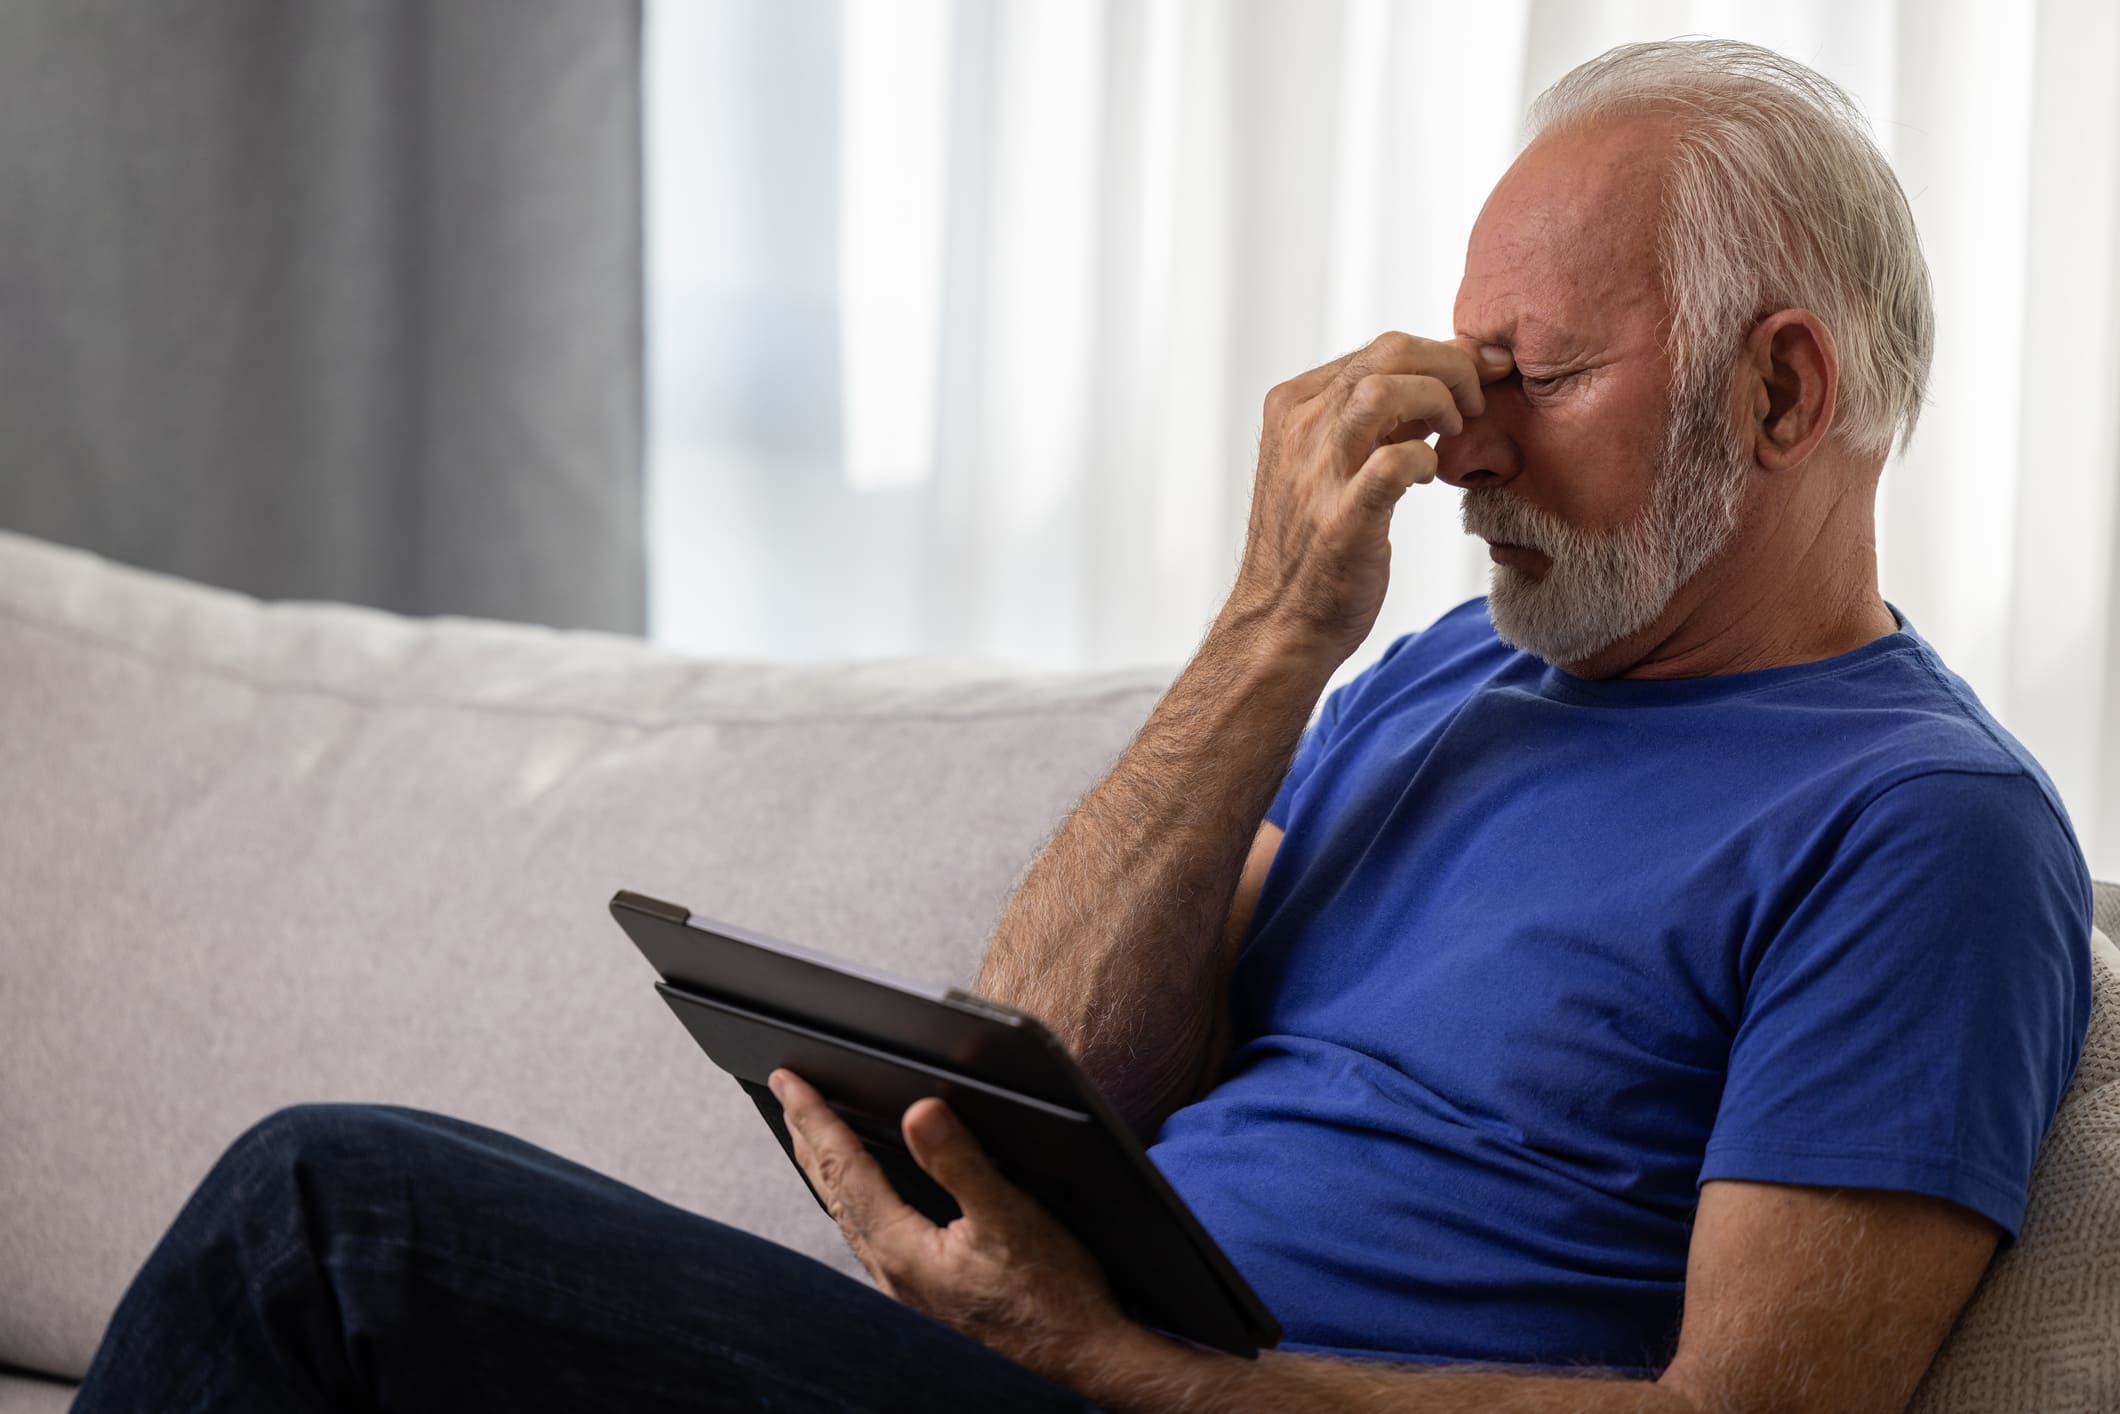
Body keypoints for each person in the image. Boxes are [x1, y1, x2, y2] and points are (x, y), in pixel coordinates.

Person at [75, 37, 2091, 1414]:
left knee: (332, 1220)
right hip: (1033, 1367)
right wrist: (1275, 623)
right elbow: (1059, 1057)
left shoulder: (1918, 827)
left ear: (1781, 390)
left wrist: (1168, 1381)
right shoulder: (1446, 674)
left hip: (1168, 1405)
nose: (1457, 447)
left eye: (1530, 376)